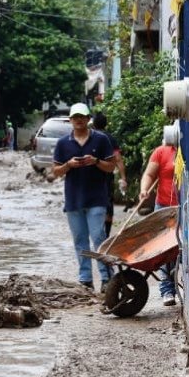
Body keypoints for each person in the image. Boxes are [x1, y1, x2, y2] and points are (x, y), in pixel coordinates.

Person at [51, 102, 117, 291]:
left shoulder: (101, 140)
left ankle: (106, 278)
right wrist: (69, 165)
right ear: (70, 120)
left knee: (99, 238)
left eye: (82, 117)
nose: (79, 120)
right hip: (73, 200)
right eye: (75, 117)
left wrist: (96, 161)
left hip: (97, 198)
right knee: (79, 240)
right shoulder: (63, 143)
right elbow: (55, 172)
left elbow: (111, 167)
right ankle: (85, 279)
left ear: (88, 119)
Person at [140, 124, 181, 306]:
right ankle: (167, 290)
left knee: (180, 248)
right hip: (164, 207)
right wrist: (144, 190)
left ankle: (182, 286)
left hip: (184, 208)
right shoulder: (161, 152)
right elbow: (149, 174)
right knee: (164, 250)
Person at [92, 111, 128, 236]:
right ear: (106, 124)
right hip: (107, 177)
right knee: (108, 205)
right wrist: (123, 178)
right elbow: (118, 159)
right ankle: (106, 235)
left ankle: (96, 232)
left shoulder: (90, 137)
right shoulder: (110, 138)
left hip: (91, 178)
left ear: (93, 124)